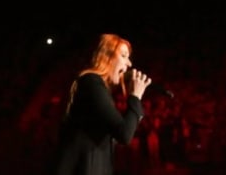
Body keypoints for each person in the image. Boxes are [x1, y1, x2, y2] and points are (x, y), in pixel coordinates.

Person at [51, 33, 152, 175]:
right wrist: (135, 96)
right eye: (123, 56)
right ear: (106, 56)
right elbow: (124, 134)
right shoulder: (91, 82)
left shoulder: (98, 87)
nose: (129, 64)